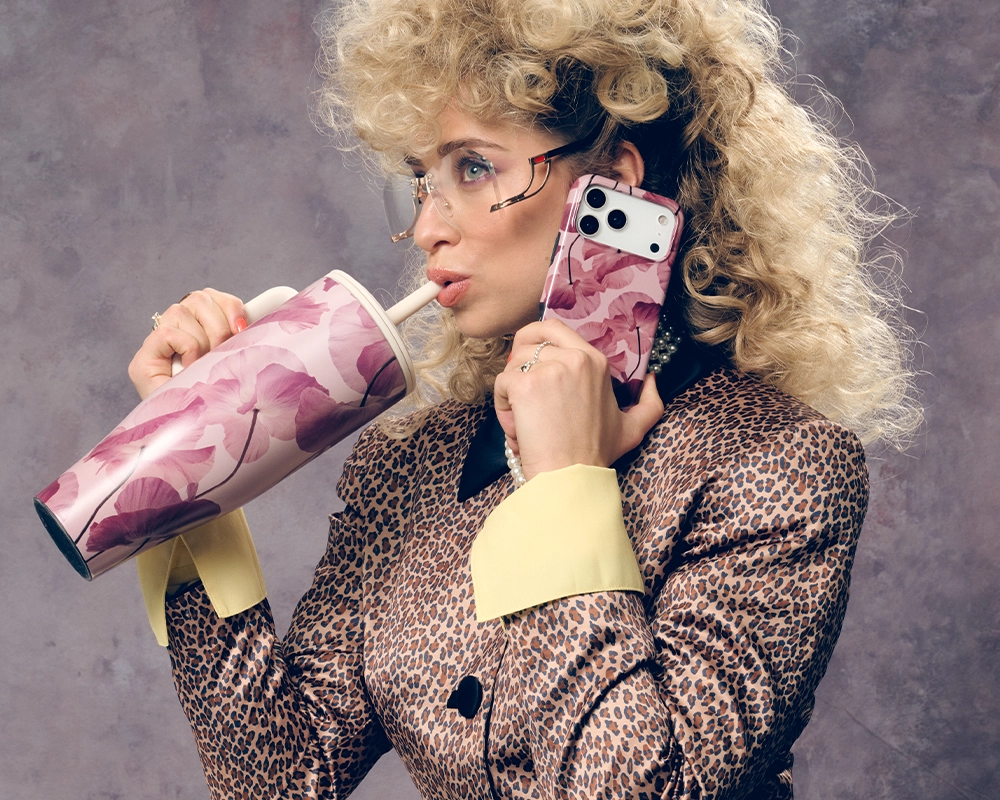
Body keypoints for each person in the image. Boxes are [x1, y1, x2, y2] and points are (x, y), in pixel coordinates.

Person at [127, 0, 920, 797]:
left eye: (473, 168)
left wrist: (565, 486)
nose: (429, 227)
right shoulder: (407, 467)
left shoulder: (778, 463)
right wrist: (190, 471)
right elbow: (279, 780)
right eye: (419, 180)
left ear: (610, 185)